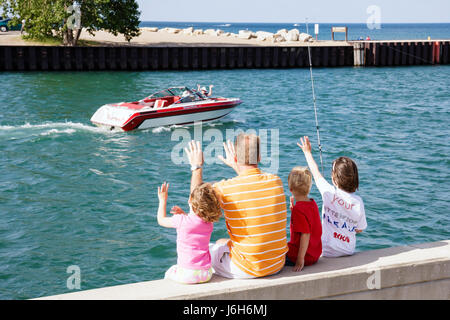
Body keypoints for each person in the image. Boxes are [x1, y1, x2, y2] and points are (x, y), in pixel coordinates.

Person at [185, 135, 288, 279]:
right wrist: (238, 164)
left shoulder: (225, 189)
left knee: (207, 250)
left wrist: (196, 167)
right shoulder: (276, 181)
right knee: (222, 242)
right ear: (259, 157)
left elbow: (196, 205)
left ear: (234, 158)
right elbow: (250, 183)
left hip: (247, 269)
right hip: (276, 264)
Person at [297, 136, 367, 257]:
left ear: (334, 180)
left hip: (325, 251)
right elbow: (360, 228)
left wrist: (307, 152)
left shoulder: (328, 192)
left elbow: (315, 172)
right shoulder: (358, 202)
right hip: (348, 250)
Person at [156, 179, 222, 284]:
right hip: (206, 274)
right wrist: (183, 214)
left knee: (169, 272)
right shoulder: (209, 223)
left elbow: (161, 220)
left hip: (187, 274)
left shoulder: (181, 221)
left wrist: (162, 200)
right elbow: (195, 223)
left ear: (190, 200)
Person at [285, 166, 322, 271]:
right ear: (309, 187)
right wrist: (293, 209)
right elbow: (308, 222)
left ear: (290, 189)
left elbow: (305, 234)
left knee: (273, 252)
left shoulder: (299, 210)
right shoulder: (312, 203)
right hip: (314, 253)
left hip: (302, 255)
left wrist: (300, 259)